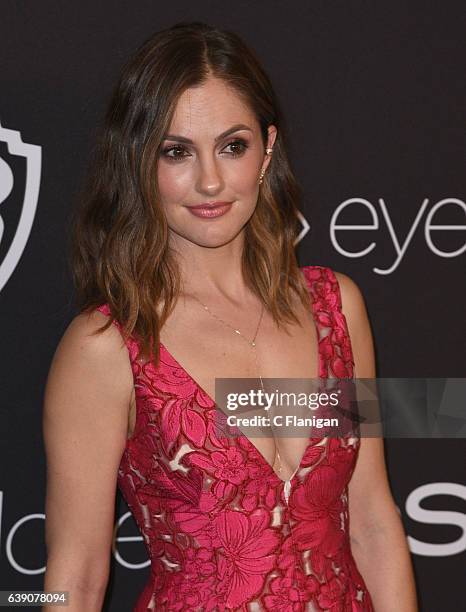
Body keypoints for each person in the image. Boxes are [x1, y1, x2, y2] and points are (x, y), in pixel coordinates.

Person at [42, 21, 418, 612]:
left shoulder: (333, 310)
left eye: (232, 145)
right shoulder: (108, 347)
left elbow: (371, 519)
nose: (210, 181)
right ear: (137, 161)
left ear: (267, 150)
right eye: (176, 152)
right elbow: (76, 576)